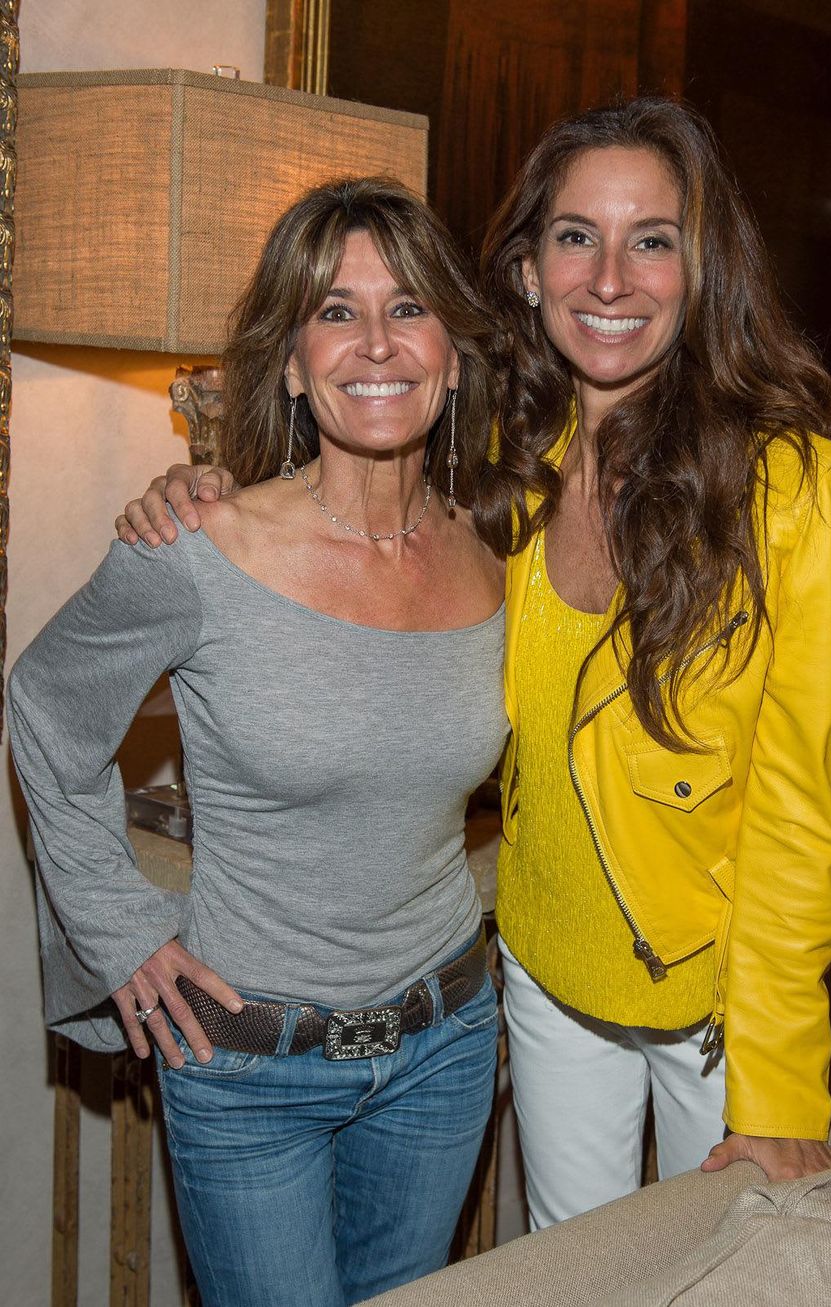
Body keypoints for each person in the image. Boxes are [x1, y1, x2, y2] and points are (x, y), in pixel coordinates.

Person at [115, 99, 831, 1229]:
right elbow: (362, 544)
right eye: (575, 237)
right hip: (538, 970)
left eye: (651, 239)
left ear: (701, 267)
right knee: (568, 1275)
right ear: (525, 272)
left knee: (725, 1266)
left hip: (714, 1001)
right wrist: (198, 490)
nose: (609, 277)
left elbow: (803, 816)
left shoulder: (795, 490)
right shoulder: (508, 473)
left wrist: (773, 1083)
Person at [9, 179, 508, 1307]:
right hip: (246, 1068)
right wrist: (123, 924)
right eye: (334, 310)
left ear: (454, 352)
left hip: (446, 1044)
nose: (375, 341)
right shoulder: (197, 543)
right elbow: (45, 706)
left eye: (409, 306)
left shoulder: (491, 556)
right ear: (287, 362)